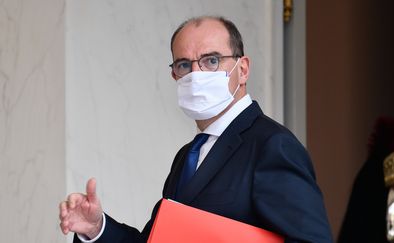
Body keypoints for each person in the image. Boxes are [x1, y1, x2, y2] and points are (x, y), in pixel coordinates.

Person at [59, 16, 333, 243]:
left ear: (244, 68)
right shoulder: (188, 155)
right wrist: (96, 229)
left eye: (211, 60)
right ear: (174, 75)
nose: (197, 74)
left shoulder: (273, 145)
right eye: (184, 65)